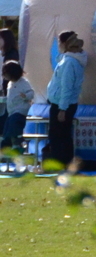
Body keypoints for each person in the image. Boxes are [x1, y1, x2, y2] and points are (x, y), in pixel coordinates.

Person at [44, 32, 86, 167]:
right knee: (64, 135)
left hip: (62, 104)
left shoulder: (68, 62)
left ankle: (59, 164)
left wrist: (62, 109)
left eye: (59, 42)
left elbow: (66, 87)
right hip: (66, 103)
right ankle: (67, 164)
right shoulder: (71, 59)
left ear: (64, 44)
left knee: (57, 136)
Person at [1, 61, 34, 151]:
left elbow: (31, 92)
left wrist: (26, 96)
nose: (3, 75)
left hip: (20, 111)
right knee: (6, 130)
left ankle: (16, 147)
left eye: (5, 73)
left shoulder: (23, 82)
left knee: (14, 129)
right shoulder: (10, 83)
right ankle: (5, 151)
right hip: (12, 112)